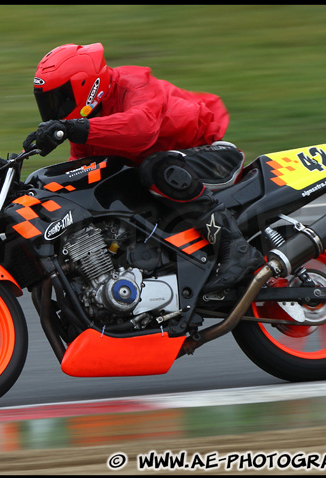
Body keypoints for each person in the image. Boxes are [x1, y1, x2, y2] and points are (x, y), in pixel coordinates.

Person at [23, 43, 262, 292]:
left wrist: (74, 128)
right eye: (46, 102)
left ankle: (237, 249)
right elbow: (82, 169)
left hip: (210, 155)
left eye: (59, 100)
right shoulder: (87, 125)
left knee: (157, 168)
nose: (53, 111)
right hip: (164, 176)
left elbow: (142, 128)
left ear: (87, 86)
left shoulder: (133, 83)